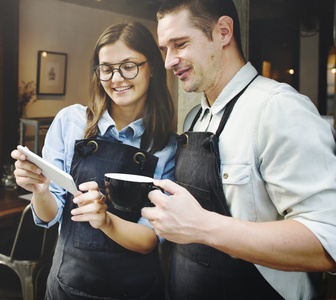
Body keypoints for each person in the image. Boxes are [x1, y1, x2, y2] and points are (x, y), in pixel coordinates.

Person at [141, 0, 336, 299]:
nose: (168, 61)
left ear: (222, 32)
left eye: (179, 44)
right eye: (164, 49)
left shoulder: (277, 108)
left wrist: (203, 226)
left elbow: (328, 240)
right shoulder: (195, 118)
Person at [11, 21, 176, 300]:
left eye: (128, 66)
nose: (116, 78)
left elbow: (150, 239)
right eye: (106, 68)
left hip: (136, 291)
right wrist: (40, 190)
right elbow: (49, 216)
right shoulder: (70, 122)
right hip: (68, 287)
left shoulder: (166, 146)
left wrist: (106, 221)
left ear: (153, 70)